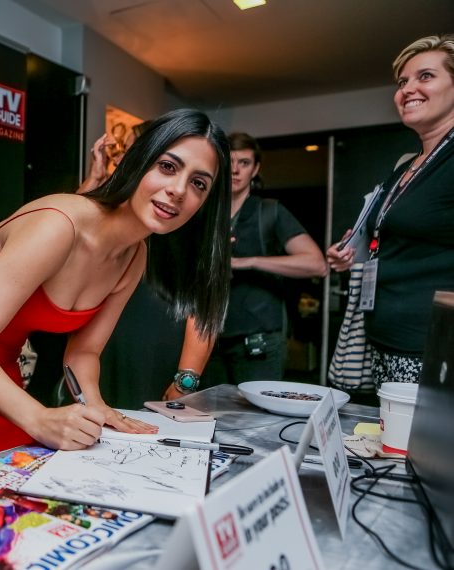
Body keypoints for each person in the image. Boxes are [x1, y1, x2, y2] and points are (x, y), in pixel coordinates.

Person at [0, 108, 232, 486]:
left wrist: (96, 407)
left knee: (6, 478)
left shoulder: (134, 257)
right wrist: (40, 418)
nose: (178, 190)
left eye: (199, 184)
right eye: (168, 166)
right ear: (139, 161)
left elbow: (83, 352)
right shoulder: (59, 225)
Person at [327, 34, 454, 386]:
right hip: (386, 341)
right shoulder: (406, 167)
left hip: (432, 347)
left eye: (425, 76)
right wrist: (353, 255)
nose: (407, 89)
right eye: (402, 81)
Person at [78, 127, 215, 408]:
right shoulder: (112, 210)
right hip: (100, 341)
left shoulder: (185, 218)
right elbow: (76, 241)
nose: (127, 156)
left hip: (158, 345)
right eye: (124, 150)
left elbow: (203, 307)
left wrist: (186, 378)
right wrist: (94, 179)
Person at [204, 132, 327, 386]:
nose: (236, 170)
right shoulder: (204, 213)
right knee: (206, 418)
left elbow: (317, 264)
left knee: (258, 422)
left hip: (257, 341)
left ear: (255, 168)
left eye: (245, 163)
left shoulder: (269, 211)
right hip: (207, 338)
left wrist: (248, 261)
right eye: (230, 162)